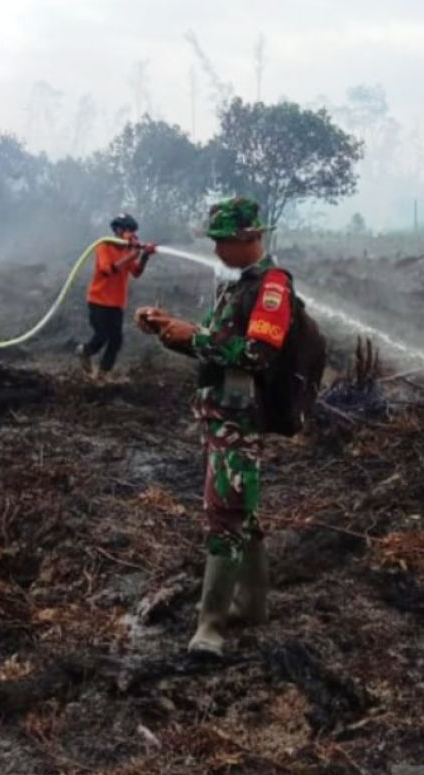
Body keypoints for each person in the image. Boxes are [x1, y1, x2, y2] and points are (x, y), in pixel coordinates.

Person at [135, 197, 293, 657]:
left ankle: (211, 628)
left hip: (241, 420)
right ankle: (253, 606)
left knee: (225, 515)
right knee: (243, 510)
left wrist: (196, 336)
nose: (218, 250)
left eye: (224, 242)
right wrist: (170, 330)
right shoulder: (236, 286)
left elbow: (259, 354)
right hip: (220, 416)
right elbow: (212, 346)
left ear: (250, 238)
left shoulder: (271, 287)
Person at [78, 214, 155, 381]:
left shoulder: (128, 250)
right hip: (98, 301)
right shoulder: (104, 246)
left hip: (116, 304)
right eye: (129, 230)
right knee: (102, 335)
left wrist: (144, 256)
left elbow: (136, 273)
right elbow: (108, 270)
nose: (132, 234)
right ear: (118, 230)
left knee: (116, 340)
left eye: (134, 231)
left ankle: (103, 374)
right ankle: (85, 351)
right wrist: (130, 256)